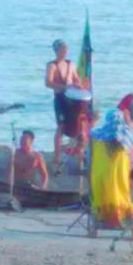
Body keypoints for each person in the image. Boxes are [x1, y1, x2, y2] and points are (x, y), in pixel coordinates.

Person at [46, 39, 86, 169]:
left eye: (66, 48)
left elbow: (76, 80)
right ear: (57, 50)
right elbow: (48, 83)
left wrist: (78, 86)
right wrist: (65, 87)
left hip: (73, 99)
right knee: (61, 127)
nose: (65, 51)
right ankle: (56, 156)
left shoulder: (71, 64)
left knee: (78, 125)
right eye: (62, 49)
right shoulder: (52, 65)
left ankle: (78, 154)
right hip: (60, 98)